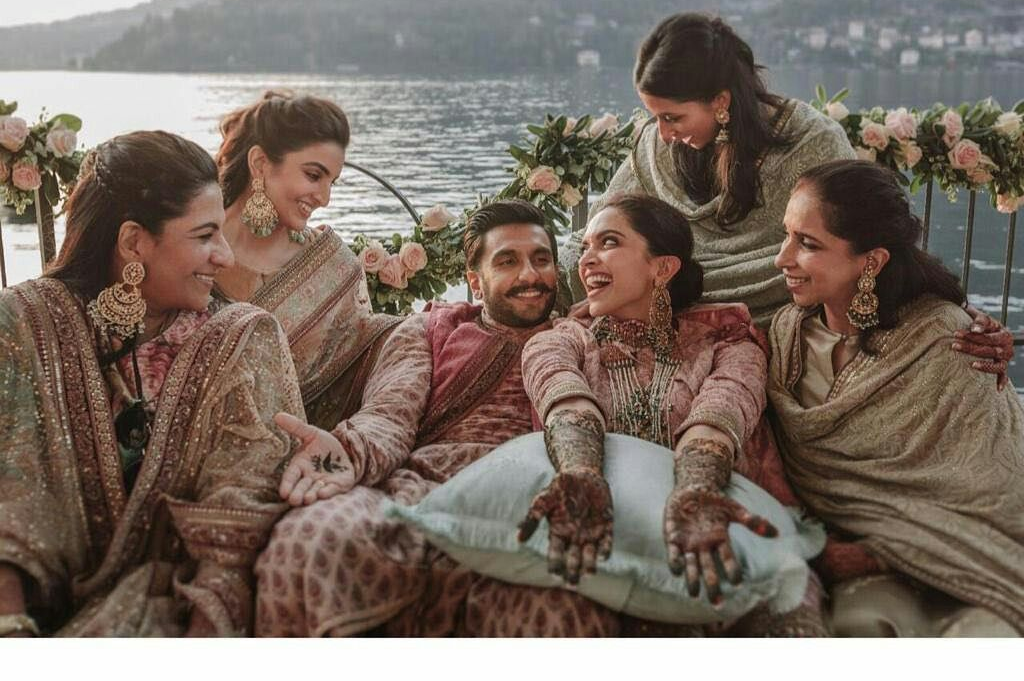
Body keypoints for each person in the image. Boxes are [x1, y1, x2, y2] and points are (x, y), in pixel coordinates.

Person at [569, 13, 1012, 385]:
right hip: (666, 319)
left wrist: (962, 311)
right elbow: (599, 228)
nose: (662, 132)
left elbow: (871, 242)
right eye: (654, 117)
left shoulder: (810, 142)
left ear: (721, 102)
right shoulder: (655, 150)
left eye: (672, 117)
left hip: (778, 332)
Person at [474, 192, 821, 637]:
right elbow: (563, 398)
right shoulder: (559, 341)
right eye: (584, 249)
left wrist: (696, 489)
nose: (588, 261)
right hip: (600, 534)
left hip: (719, 529)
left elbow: (721, 414)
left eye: (609, 243)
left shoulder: (728, 344)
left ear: (662, 268)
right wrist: (580, 471)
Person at [0, 132, 302, 637]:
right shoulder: (25, 325)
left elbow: (242, 509)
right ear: (134, 242)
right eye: (205, 236)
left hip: (180, 612)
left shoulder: (241, 341)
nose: (226, 257)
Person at [253, 200, 565, 637]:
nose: (530, 275)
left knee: (557, 600)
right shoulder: (429, 331)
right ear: (475, 281)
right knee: (306, 538)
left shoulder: (577, 338)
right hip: (423, 487)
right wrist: (348, 452)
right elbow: (389, 413)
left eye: (541, 259)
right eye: (508, 261)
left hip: (531, 497)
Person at [767, 160, 1024, 637]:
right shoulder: (786, 337)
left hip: (973, 557)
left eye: (807, 243)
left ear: (872, 261)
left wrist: (888, 547)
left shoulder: (946, 338)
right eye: (787, 235)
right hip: (850, 566)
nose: (782, 258)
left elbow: (985, 478)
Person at [213, 90, 400, 429]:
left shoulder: (334, 266)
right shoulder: (193, 248)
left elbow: (358, 371)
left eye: (332, 183)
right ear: (260, 164)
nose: (325, 199)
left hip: (312, 446)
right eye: (314, 176)